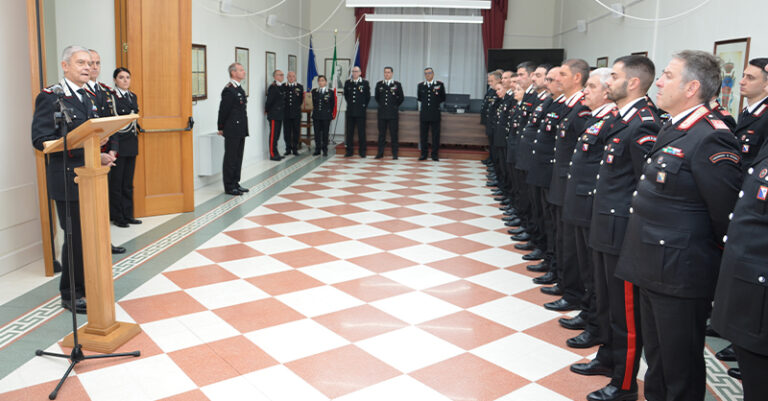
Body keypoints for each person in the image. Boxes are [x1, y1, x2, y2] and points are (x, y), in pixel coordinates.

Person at [615, 50, 743, 401]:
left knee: (679, 365)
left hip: (681, 272)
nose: (659, 81)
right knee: (656, 360)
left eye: (668, 75)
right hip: (652, 264)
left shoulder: (711, 137)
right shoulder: (675, 127)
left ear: (692, 88)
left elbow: (725, 215)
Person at [574, 55, 660, 401]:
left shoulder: (644, 123)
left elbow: (645, 185)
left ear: (633, 83)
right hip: (604, 225)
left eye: (615, 77)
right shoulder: (620, 118)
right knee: (608, 302)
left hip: (621, 230)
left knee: (626, 313)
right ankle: (608, 357)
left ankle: (624, 383)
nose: (608, 83)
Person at [31, 45, 117, 314]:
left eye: (90, 62)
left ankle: (88, 284)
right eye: (81, 62)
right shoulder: (50, 97)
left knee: (91, 236)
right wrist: (79, 146)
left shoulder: (89, 97)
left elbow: (91, 136)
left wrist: (100, 155)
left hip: (90, 176)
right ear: (65, 66)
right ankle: (70, 293)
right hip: (67, 179)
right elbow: (40, 139)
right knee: (75, 237)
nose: (87, 67)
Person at [560, 68, 618, 353]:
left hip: (592, 203)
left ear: (607, 91)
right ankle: (589, 312)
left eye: (592, 86)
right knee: (585, 266)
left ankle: (596, 323)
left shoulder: (612, 121)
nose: (585, 91)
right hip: (581, 199)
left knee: (594, 271)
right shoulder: (597, 118)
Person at [543, 59, 593, 317]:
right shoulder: (566, 105)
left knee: (570, 241)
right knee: (561, 234)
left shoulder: (582, 110)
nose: (555, 79)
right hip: (560, 179)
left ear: (576, 78)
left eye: (561, 74)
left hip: (570, 182)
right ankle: (564, 282)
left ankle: (571, 291)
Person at [108, 67, 142, 229]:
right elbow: (113, 122)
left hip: (131, 142)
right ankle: (117, 216)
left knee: (128, 182)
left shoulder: (132, 96)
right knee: (117, 183)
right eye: (121, 77)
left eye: (127, 77)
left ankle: (129, 214)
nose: (125, 80)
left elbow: (134, 116)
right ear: (115, 80)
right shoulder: (111, 98)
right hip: (118, 143)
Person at [217, 62, 249, 196]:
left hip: (240, 128)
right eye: (241, 70)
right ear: (233, 73)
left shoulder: (239, 88)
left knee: (238, 157)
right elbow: (223, 111)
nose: (244, 72)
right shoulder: (229, 90)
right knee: (230, 158)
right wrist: (221, 127)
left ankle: (236, 182)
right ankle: (229, 186)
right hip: (231, 128)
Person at [374, 66, 404, 159]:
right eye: (385, 72)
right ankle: (380, 153)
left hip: (392, 113)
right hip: (382, 113)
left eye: (388, 72)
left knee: (393, 134)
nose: (386, 74)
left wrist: (394, 106)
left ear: (392, 73)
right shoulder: (379, 84)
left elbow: (401, 98)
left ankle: (395, 154)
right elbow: (377, 97)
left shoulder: (397, 84)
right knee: (381, 134)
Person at [417, 67, 446, 161]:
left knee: (435, 135)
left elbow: (443, 98)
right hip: (424, 113)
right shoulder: (421, 85)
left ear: (433, 74)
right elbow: (420, 98)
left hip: (435, 113)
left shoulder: (439, 85)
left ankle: (434, 155)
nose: (428, 75)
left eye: (429, 73)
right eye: (426, 73)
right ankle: (424, 154)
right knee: (423, 135)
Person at [343, 66, 370, 157]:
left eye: (356, 71)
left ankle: (362, 151)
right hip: (350, 111)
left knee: (361, 132)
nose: (354, 73)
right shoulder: (348, 83)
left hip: (360, 111)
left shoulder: (365, 83)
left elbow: (367, 97)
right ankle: (349, 151)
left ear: (360, 73)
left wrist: (362, 106)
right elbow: (346, 96)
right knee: (349, 132)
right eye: (353, 71)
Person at [311, 75, 335, 156]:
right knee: (317, 133)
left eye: (322, 80)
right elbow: (314, 103)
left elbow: (332, 104)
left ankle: (325, 149)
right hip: (316, 115)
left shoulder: (330, 92)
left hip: (326, 116)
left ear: (325, 82)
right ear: (318, 82)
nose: (321, 82)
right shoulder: (314, 91)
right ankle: (317, 149)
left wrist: (327, 112)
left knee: (325, 133)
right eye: (319, 81)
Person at [265, 70, 285, 161]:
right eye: (280, 75)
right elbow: (269, 101)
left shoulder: (281, 86)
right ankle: (272, 154)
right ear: (275, 76)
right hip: (274, 115)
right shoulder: (273, 87)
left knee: (277, 135)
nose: (282, 76)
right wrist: (267, 110)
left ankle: (276, 152)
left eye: (282, 75)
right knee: (273, 135)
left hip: (280, 114)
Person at [282, 71, 304, 156]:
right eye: (289, 76)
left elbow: (301, 100)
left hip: (296, 113)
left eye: (293, 76)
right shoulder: (283, 86)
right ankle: (288, 148)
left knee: (296, 131)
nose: (291, 78)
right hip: (286, 113)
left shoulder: (299, 87)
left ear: (295, 77)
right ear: (287, 77)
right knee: (286, 131)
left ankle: (295, 148)